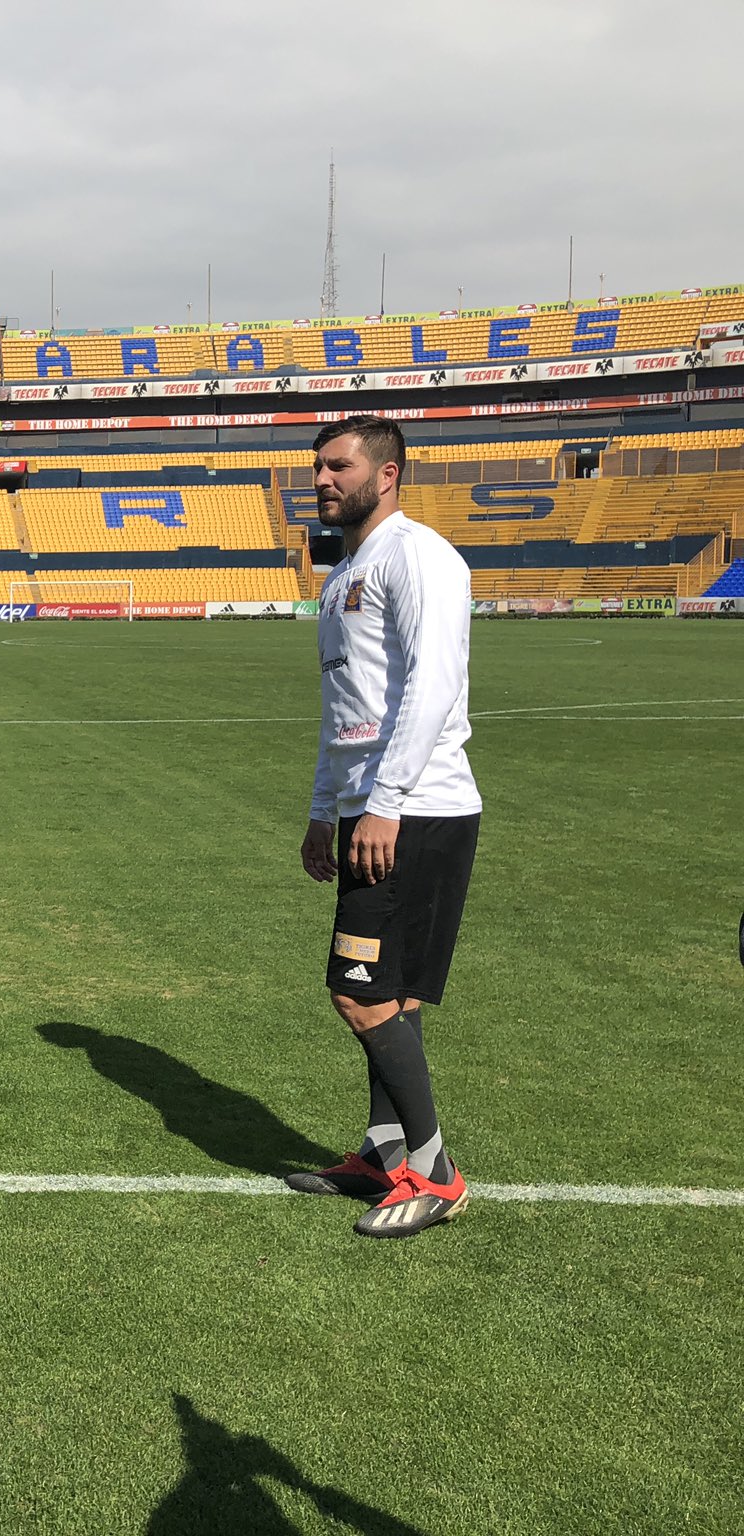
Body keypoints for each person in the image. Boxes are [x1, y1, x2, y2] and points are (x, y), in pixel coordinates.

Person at [290, 415, 481, 1239]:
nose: (323, 480)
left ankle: (433, 1173)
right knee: (392, 994)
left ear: (389, 473)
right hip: (372, 807)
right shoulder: (344, 575)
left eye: (339, 467)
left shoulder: (419, 555)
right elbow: (348, 711)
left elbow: (433, 684)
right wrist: (323, 811)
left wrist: (388, 801)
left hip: (420, 808)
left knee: (357, 993)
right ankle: (383, 1148)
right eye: (318, 468)